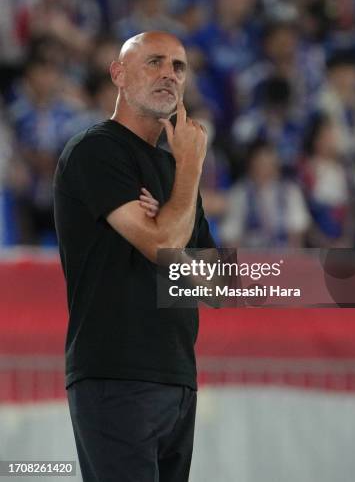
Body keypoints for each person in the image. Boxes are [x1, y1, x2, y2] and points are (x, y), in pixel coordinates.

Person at [53, 30, 215, 481]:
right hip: (115, 372)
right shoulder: (94, 150)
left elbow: (217, 282)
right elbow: (167, 247)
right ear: (118, 74)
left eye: (179, 66)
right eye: (155, 62)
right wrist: (190, 173)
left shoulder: (171, 168)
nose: (169, 74)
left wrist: (169, 218)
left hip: (178, 376)